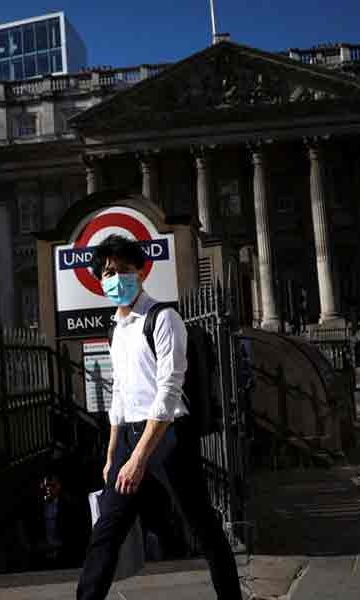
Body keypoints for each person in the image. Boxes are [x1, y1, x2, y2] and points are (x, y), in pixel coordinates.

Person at [76, 235, 241, 600]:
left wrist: (138, 458)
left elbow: (167, 393)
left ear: (140, 271)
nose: (115, 278)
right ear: (99, 281)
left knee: (201, 525)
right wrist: (112, 453)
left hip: (167, 439)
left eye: (123, 270)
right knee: (106, 530)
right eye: (107, 272)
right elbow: (119, 394)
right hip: (129, 438)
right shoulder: (116, 329)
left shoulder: (164, 319)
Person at [26, 471, 90, 570]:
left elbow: (76, 530)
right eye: (46, 485)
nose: (49, 489)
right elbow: (31, 529)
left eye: (52, 485)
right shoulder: (36, 507)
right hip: (42, 554)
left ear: (59, 486)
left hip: (64, 554)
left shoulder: (69, 506)